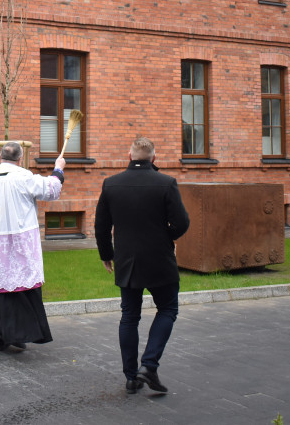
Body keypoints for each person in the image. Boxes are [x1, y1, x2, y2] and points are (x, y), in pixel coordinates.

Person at [94, 136, 191, 395]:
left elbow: (101, 226)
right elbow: (181, 223)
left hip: (127, 259)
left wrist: (107, 254)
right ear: (154, 158)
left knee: (129, 316)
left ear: (129, 156)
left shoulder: (111, 184)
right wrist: (166, 236)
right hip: (160, 258)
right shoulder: (166, 183)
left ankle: (130, 377)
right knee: (168, 309)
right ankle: (148, 365)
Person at [0, 141, 65, 352]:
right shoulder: (24, 177)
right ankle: (17, 334)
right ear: (20, 159)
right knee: (19, 288)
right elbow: (51, 190)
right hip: (18, 244)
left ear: (0, 157)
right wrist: (59, 169)